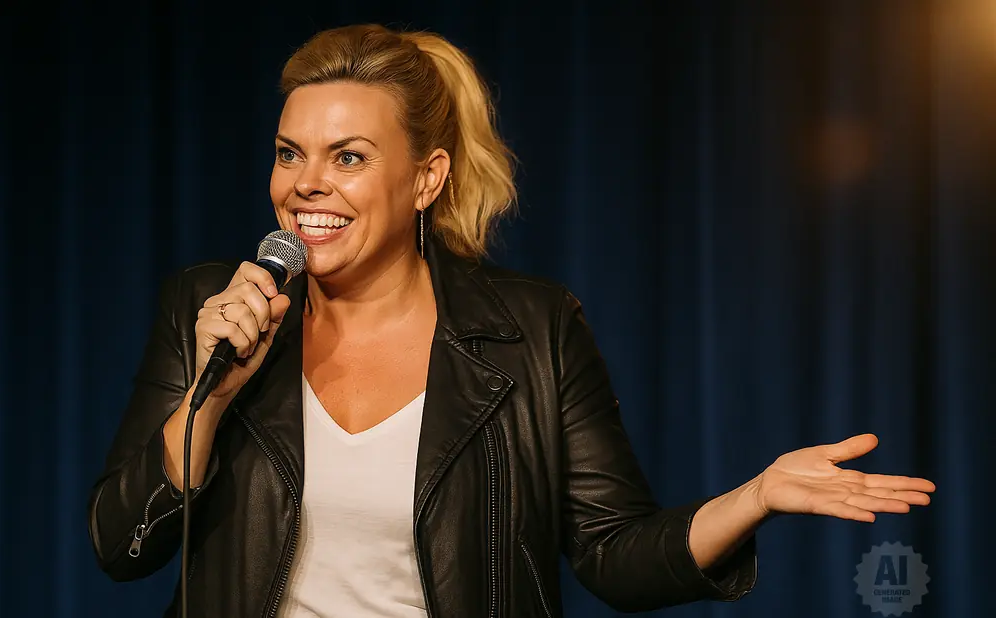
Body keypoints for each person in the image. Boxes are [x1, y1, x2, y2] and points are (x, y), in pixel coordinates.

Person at [87, 23, 935, 618]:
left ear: (426, 179)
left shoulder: (534, 329)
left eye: (348, 157)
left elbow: (615, 558)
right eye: (289, 152)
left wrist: (753, 499)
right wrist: (212, 397)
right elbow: (121, 550)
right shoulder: (213, 310)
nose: (305, 183)